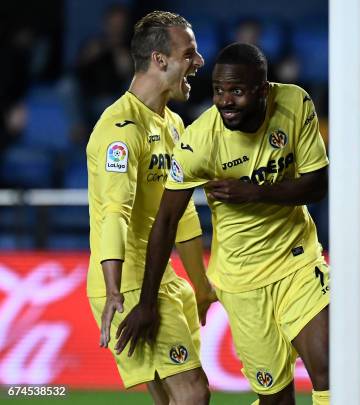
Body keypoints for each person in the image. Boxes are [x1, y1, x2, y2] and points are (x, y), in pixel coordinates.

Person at [116, 42, 330, 405]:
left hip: (298, 262)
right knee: (277, 398)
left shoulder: (295, 104)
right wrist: (148, 303)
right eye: (218, 90)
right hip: (241, 282)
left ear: (263, 90)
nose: (225, 101)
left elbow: (317, 184)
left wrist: (255, 192)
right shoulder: (199, 141)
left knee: (331, 370)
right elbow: (166, 220)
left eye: (237, 91)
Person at [86, 11, 215, 404]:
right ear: (160, 60)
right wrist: (114, 290)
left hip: (164, 277)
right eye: (189, 53)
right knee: (193, 394)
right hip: (130, 282)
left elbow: (183, 215)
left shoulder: (174, 126)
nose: (199, 62)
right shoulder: (119, 130)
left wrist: (202, 285)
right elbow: (114, 212)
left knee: (172, 400)